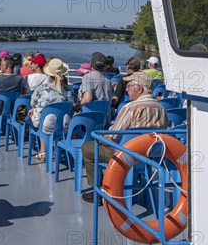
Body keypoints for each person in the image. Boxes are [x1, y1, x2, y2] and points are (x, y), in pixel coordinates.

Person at [80, 72, 168, 203]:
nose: (126, 89)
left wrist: (103, 137)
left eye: (129, 85)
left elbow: (113, 136)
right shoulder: (161, 108)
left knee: (87, 148)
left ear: (139, 88)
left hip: (125, 155)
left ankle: (99, 191)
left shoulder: (130, 108)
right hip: (148, 156)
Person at [27, 59, 73, 162]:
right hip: (64, 125)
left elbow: (33, 103)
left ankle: (42, 151)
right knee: (45, 117)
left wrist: (35, 108)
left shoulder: (41, 88)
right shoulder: (69, 89)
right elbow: (71, 105)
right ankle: (61, 150)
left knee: (38, 117)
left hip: (46, 124)